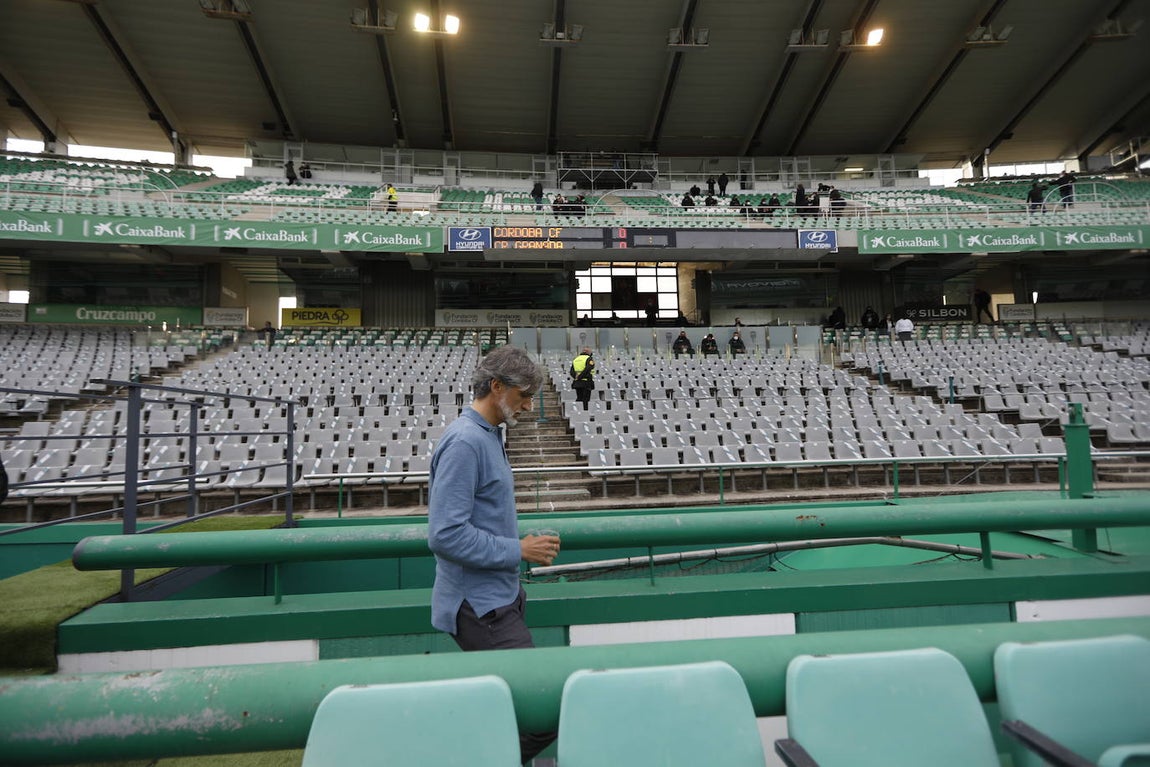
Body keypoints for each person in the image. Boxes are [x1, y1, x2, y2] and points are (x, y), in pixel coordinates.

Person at [426, 346, 558, 764]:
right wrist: (517, 549)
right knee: (545, 710)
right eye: (523, 394)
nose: (528, 404)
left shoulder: (488, 434)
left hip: (498, 600)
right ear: (496, 387)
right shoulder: (466, 442)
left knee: (514, 707)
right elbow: (445, 535)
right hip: (480, 607)